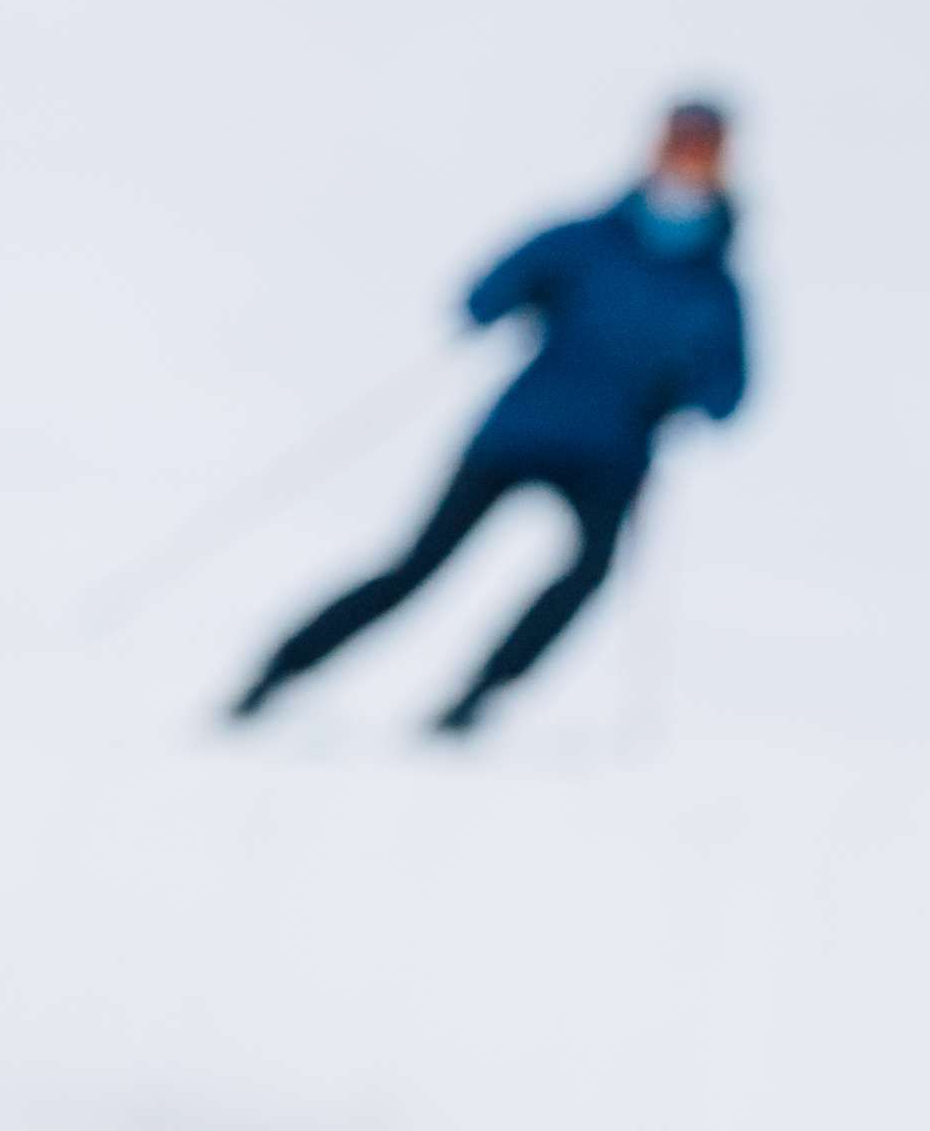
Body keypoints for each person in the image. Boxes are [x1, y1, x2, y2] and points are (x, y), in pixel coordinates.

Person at [233, 99, 753, 739]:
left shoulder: (717, 286)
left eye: (703, 149)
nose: (688, 160)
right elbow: (481, 296)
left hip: (612, 455)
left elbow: (731, 391)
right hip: (521, 431)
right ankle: (278, 669)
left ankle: (479, 696)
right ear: (656, 149)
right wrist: (519, 294)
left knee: (588, 572)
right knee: (418, 566)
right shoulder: (585, 239)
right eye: (679, 144)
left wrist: (688, 394)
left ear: (722, 161)